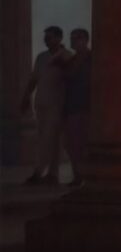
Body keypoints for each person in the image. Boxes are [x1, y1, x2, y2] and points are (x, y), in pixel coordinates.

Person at [21, 26, 73, 185]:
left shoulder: (66, 56)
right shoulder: (41, 57)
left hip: (57, 104)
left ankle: (38, 171)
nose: (46, 40)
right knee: (51, 140)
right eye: (45, 38)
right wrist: (26, 96)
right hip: (41, 102)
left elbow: (71, 77)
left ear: (59, 38)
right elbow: (34, 79)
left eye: (49, 37)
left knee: (47, 139)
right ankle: (53, 174)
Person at [63, 28, 92, 187]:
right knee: (72, 144)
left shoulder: (92, 58)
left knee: (86, 144)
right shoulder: (72, 60)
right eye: (72, 38)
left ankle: (86, 176)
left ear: (85, 40)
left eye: (76, 38)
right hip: (72, 106)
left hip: (88, 107)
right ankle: (78, 175)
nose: (73, 41)